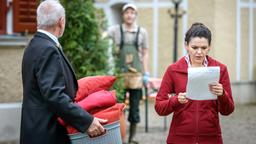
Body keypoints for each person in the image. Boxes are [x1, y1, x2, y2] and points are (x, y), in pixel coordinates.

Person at [20, 1, 107, 143]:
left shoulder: (33, 45)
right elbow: (55, 96)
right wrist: (87, 121)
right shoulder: (48, 49)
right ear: (61, 21)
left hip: (35, 130)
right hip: (47, 134)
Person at [155, 23, 234, 144]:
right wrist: (176, 100)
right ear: (186, 45)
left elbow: (227, 110)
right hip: (179, 138)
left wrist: (222, 94)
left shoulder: (220, 69)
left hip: (211, 138)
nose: (199, 52)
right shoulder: (173, 70)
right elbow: (159, 108)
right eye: (194, 47)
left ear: (209, 47)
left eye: (203, 48)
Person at [107, 3, 149, 144]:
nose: (129, 15)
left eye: (132, 12)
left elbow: (145, 53)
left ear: (135, 15)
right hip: (120, 75)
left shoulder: (142, 32)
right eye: (127, 12)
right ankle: (120, 137)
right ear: (123, 15)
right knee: (118, 107)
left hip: (136, 76)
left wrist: (146, 72)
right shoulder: (116, 30)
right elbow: (103, 37)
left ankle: (133, 137)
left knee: (135, 107)